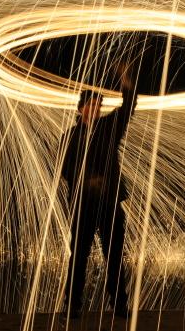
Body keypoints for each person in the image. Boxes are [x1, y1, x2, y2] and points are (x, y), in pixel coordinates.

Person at [59, 62, 137, 319]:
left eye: (98, 105)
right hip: (83, 204)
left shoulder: (109, 129)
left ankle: (119, 305)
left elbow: (129, 106)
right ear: (81, 108)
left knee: (114, 256)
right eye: (91, 105)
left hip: (110, 203)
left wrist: (125, 79)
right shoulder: (69, 136)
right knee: (79, 256)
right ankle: (73, 305)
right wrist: (86, 181)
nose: (95, 109)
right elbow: (63, 169)